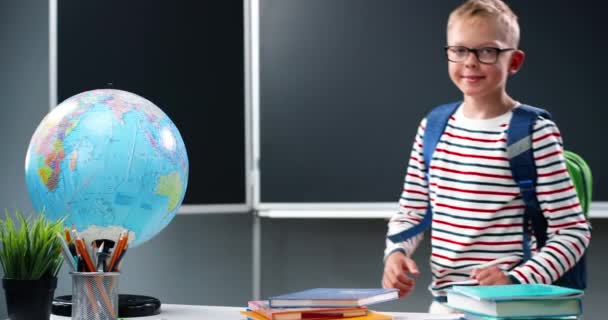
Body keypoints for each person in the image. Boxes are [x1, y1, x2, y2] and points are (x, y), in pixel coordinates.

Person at [381, 0, 591, 314]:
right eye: (460, 50)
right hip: (446, 305)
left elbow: (573, 231)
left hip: (512, 307)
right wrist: (395, 253)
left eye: (488, 51)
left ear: (515, 61)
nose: (471, 62)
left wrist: (516, 278)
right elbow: (412, 211)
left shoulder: (534, 133)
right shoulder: (433, 127)